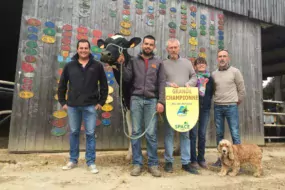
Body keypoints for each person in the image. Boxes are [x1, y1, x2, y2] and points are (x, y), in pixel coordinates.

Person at [58, 39, 108, 174]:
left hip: (91, 106)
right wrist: (63, 102)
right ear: (77, 49)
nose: (83, 50)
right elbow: (62, 85)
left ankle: (91, 162)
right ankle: (73, 160)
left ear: (89, 50)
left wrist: (101, 102)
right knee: (74, 132)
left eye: (86, 48)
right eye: (81, 48)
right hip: (73, 106)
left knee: (90, 134)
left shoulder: (97, 66)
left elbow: (104, 85)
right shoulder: (70, 66)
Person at [122, 35, 166, 177]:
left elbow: (161, 83)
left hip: (152, 100)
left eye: (150, 44)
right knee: (135, 133)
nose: (147, 46)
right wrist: (122, 65)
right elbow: (127, 78)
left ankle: (153, 164)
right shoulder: (134, 61)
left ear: (154, 47)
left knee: (151, 133)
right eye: (146, 43)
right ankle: (137, 164)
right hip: (136, 99)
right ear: (142, 45)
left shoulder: (159, 62)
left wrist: (161, 101)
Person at [163, 38, 198, 174]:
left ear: (179, 48)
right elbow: (160, 81)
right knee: (169, 133)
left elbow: (194, 77)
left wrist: (189, 83)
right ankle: (169, 162)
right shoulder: (163, 64)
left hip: (185, 102)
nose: (173, 50)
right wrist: (168, 84)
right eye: (170, 47)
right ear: (167, 49)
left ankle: (185, 162)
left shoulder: (187, 63)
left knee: (185, 132)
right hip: (170, 102)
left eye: (175, 47)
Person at [211, 49, 245, 167]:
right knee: (219, 134)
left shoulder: (235, 72)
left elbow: (241, 89)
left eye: (224, 56)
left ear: (228, 58)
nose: (222, 58)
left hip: (231, 106)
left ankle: (237, 161)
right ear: (217, 59)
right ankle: (220, 160)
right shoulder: (214, 74)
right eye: (220, 56)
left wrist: (237, 101)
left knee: (235, 133)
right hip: (218, 107)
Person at [189, 57, 214, 169]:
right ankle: (193, 160)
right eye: (198, 63)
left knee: (202, 134)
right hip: (193, 108)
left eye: (203, 63)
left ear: (206, 65)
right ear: (195, 66)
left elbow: (211, 92)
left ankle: (201, 159)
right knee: (193, 134)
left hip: (205, 109)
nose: (201, 65)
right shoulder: (192, 78)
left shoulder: (210, 78)